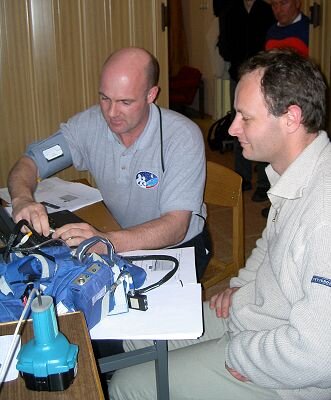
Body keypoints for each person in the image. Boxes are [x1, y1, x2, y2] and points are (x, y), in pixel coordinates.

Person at [108, 49, 331, 400]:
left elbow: (318, 355)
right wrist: (241, 286)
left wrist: (237, 354)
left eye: (245, 117)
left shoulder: (324, 214)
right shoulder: (293, 175)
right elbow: (269, 245)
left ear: (291, 118)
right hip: (253, 319)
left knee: (127, 385)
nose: (232, 128)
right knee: (134, 337)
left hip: (290, 374)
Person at [7, 47, 211, 280]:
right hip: (118, 238)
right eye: (105, 98)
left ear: (151, 95)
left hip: (177, 248)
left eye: (125, 102)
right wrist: (21, 200)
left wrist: (107, 242)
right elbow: (30, 162)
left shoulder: (182, 137)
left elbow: (176, 227)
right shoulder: (89, 124)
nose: (111, 112)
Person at [216, 0, 275, 201]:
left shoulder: (267, 10)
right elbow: (223, 42)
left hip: (263, 77)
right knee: (239, 125)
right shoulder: (230, 10)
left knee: (262, 127)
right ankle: (242, 177)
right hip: (238, 75)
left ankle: (264, 183)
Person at [261, 0, 310, 218]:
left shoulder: (310, 28)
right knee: (277, 152)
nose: (278, 10)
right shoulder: (272, 31)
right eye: (274, 6)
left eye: (283, 3)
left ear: (297, 3)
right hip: (276, 102)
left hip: (299, 102)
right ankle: (278, 202)